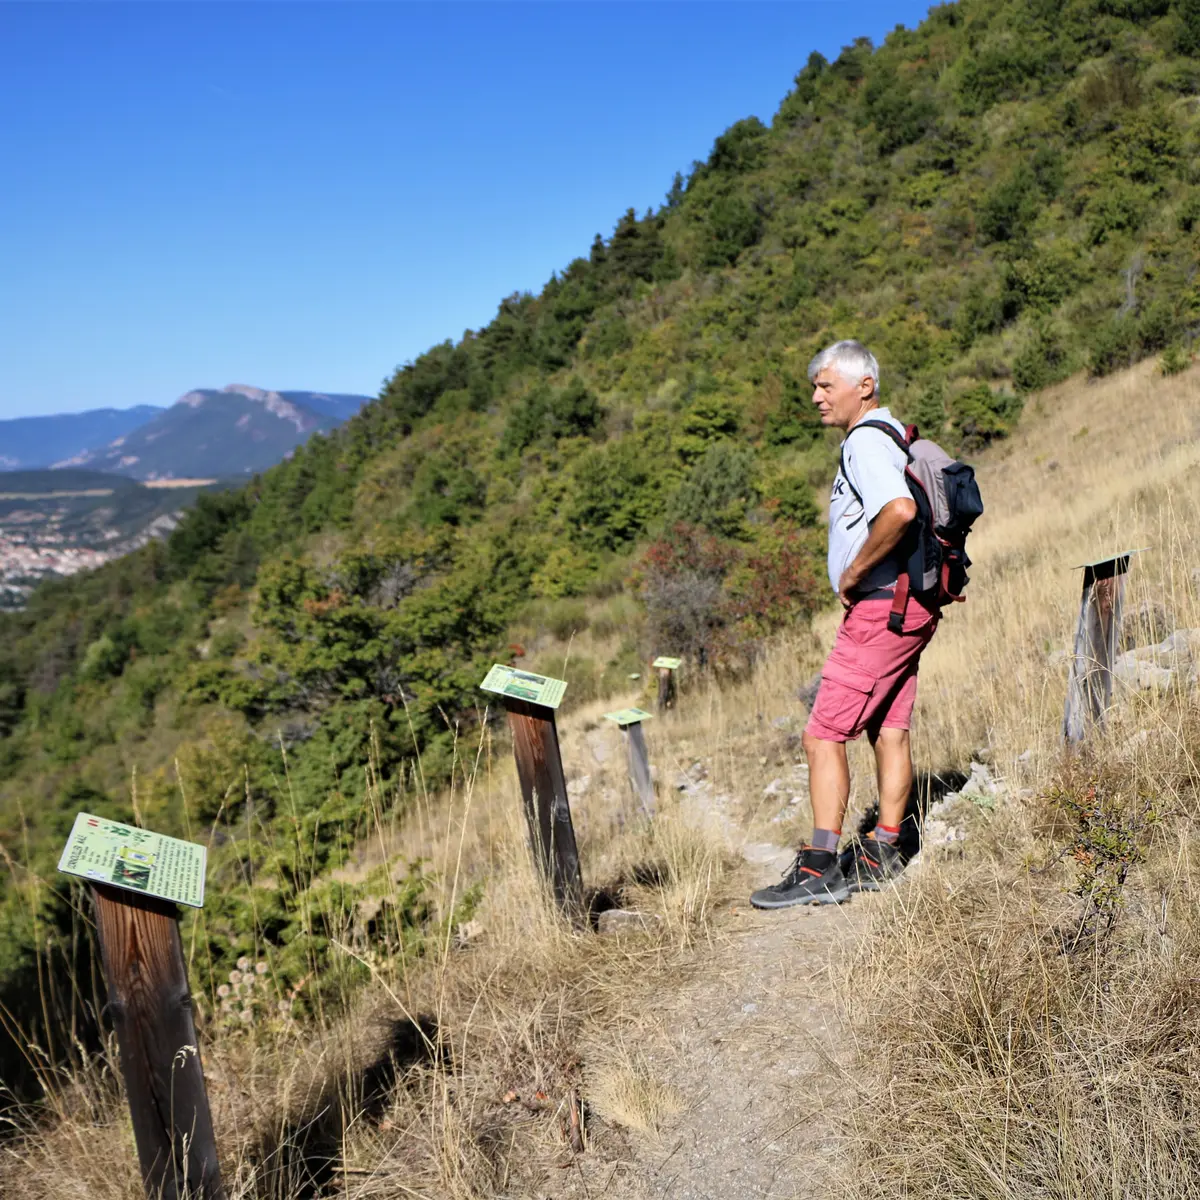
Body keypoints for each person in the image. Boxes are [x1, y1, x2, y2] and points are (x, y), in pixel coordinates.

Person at [751, 340, 937, 908]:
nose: (815, 397)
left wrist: (854, 573)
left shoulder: (863, 442)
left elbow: (900, 511)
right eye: (815, 386)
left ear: (864, 385)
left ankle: (819, 868)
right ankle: (883, 849)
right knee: (888, 728)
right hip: (910, 606)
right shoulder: (891, 436)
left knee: (823, 735)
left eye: (825, 385)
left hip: (881, 608)